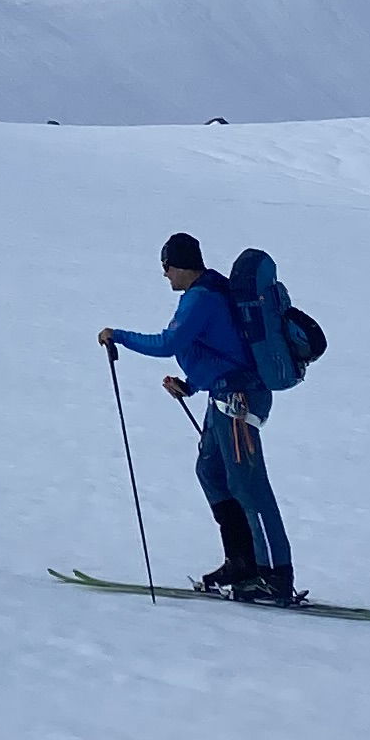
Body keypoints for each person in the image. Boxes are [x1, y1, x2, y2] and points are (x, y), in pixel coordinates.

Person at [101, 233, 294, 602]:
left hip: (237, 400)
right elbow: (224, 348)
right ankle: (242, 562)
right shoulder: (211, 290)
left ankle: (275, 574)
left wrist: (117, 336)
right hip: (223, 396)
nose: (164, 275)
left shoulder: (201, 298)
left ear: (179, 264)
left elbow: (167, 343)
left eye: (166, 267)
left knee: (249, 485)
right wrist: (191, 385)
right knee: (212, 473)